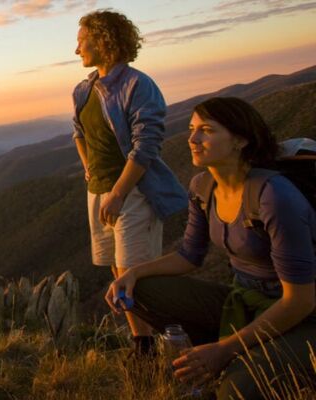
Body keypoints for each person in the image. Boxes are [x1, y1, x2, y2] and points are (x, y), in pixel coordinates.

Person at [106, 97, 316, 399]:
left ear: (240, 140)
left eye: (206, 130)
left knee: (234, 392)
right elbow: (189, 255)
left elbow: (300, 301)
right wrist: (132, 274)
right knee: (138, 290)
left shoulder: (273, 197)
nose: (192, 139)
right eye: (192, 129)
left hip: (302, 316)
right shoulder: (203, 187)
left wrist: (225, 350)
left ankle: (242, 356)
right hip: (245, 301)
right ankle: (229, 350)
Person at [71, 9, 186, 357]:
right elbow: (78, 133)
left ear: (103, 40)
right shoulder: (83, 89)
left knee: (133, 270)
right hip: (98, 191)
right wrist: (89, 169)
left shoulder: (137, 85)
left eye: (82, 41)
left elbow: (146, 145)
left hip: (133, 192)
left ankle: (150, 345)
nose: (77, 49)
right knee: (115, 266)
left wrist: (119, 192)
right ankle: (142, 340)